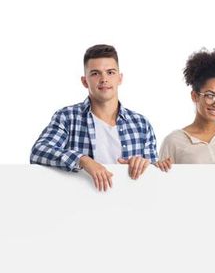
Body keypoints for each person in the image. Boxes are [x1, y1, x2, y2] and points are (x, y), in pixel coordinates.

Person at [30, 44, 157, 192]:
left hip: (129, 206)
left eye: (110, 72)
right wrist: (83, 160)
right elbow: (38, 151)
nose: (104, 79)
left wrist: (143, 165)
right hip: (79, 207)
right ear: (85, 81)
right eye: (95, 73)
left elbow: (154, 178)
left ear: (120, 78)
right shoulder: (67, 117)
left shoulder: (141, 124)